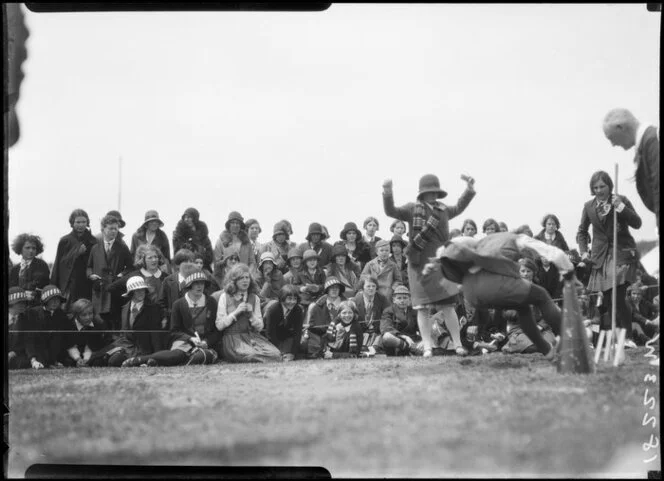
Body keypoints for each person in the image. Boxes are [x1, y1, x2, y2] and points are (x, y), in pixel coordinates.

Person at [433, 232, 576, 360]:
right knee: (542, 295)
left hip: (471, 292)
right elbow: (555, 253)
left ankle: (547, 351)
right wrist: (569, 272)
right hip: (497, 285)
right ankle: (573, 340)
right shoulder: (518, 239)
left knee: (523, 308)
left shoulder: (482, 242)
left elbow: (448, 249)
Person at [383, 173, 476, 357]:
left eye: (435, 192)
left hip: (440, 263)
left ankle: (457, 344)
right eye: (429, 192)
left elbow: (459, 207)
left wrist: (469, 190)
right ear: (422, 193)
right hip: (418, 264)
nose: (433, 196)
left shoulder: (443, 210)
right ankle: (427, 346)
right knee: (422, 307)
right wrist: (387, 191)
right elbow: (391, 211)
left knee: (448, 306)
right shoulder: (411, 209)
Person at [576, 170, 642, 359]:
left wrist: (621, 207)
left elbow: (637, 223)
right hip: (600, 257)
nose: (599, 190)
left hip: (621, 253)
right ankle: (616, 338)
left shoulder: (621, 199)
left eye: (602, 187)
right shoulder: (588, 206)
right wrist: (583, 251)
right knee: (608, 299)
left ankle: (627, 337)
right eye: (595, 187)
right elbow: (581, 231)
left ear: (609, 186)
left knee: (617, 296)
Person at [121, 270, 220, 367]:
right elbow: (174, 331)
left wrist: (206, 342)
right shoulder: (178, 304)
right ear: (189, 285)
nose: (200, 286)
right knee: (177, 354)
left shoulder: (211, 302)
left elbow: (216, 331)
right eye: (196, 283)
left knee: (201, 356)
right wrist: (190, 338)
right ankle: (139, 360)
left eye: (202, 283)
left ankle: (159, 361)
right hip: (184, 341)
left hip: (204, 345)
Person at [603, 108, 659, 228]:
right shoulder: (647, 144)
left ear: (620, 127)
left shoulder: (653, 141)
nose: (613, 144)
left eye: (611, 138)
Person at [214, 263, 282, 363]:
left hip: (252, 337)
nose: (245, 280)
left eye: (247, 277)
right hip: (233, 339)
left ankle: (259, 356)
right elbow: (219, 325)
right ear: (234, 280)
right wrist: (236, 312)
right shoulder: (225, 296)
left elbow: (259, 327)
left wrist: (252, 315)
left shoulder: (254, 298)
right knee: (251, 355)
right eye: (241, 278)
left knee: (276, 354)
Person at [99, 276, 165, 367]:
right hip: (127, 349)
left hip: (144, 352)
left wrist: (158, 357)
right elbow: (124, 333)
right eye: (137, 290)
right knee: (112, 361)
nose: (141, 292)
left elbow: (156, 335)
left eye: (142, 289)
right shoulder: (125, 308)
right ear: (131, 293)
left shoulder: (153, 308)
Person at [86, 214, 133, 331]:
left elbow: (131, 267)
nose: (114, 231)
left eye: (116, 229)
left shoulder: (122, 247)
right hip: (99, 291)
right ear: (103, 229)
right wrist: (90, 275)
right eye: (110, 228)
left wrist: (121, 275)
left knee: (114, 322)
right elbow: (88, 267)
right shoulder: (95, 248)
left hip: (115, 291)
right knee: (99, 322)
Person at [50, 209, 98, 309]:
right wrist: (76, 253)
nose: (81, 225)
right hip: (69, 284)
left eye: (84, 222)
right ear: (72, 223)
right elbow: (59, 264)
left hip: (87, 283)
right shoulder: (65, 240)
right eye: (78, 222)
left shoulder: (93, 241)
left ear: (87, 222)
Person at [23, 285, 72, 369]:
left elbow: (63, 339)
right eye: (51, 300)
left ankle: (55, 361)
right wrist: (33, 359)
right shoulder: (33, 313)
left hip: (56, 352)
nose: (55, 302)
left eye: (57, 300)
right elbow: (29, 339)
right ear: (45, 301)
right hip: (37, 351)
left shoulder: (61, 315)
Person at [304, 277, 348, 359]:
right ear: (327, 290)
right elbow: (313, 328)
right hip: (322, 340)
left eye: (336, 287)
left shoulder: (347, 304)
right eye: (331, 288)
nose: (334, 290)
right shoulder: (316, 306)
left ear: (340, 290)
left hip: (343, 339)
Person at [64, 298, 112, 367]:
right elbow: (69, 345)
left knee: (98, 362)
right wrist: (78, 359)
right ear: (76, 316)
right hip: (72, 354)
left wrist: (87, 360)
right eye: (84, 315)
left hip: (93, 354)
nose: (88, 317)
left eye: (90, 313)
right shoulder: (68, 323)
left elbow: (97, 346)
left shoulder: (99, 324)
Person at [264, 284, 305, 361]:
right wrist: (279, 352)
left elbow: (298, 332)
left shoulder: (298, 310)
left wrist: (292, 353)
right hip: (272, 340)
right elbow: (270, 333)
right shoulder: (273, 310)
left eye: (294, 299)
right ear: (282, 298)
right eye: (289, 299)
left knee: (303, 346)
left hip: (287, 338)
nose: (292, 302)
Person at [380, 285, 423, 356]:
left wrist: (423, 341)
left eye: (405, 298)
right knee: (386, 336)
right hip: (397, 341)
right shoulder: (388, 311)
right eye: (399, 298)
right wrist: (405, 337)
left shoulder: (414, 311)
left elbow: (422, 328)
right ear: (394, 300)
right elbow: (386, 328)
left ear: (409, 299)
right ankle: (409, 349)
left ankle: (414, 349)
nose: (402, 301)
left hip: (412, 340)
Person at [9, 233, 50, 306]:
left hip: (36, 305)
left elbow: (40, 284)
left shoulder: (41, 265)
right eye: (27, 248)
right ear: (20, 249)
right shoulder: (15, 269)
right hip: (18, 305)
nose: (31, 251)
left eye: (34, 248)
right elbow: (12, 287)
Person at [158, 249, 196, 328]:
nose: (189, 264)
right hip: (173, 324)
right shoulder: (168, 280)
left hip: (192, 324)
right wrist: (169, 314)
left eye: (191, 261)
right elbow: (161, 302)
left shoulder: (198, 280)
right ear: (178, 265)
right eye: (185, 261)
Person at [352, 276, 389, 356]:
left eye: (373, 286)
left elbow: (387, 316)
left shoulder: (382, 299)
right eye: (368, 286)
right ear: (362, 288)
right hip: (361, 332)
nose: (371, 288)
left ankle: (374, 348)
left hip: (377, 332)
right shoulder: (355, 301)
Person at [8, 287, 31, 369]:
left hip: (17, 355)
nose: (23, 305)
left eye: (24, 303)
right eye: (19, 302)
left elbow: (26, 341)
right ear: (10, 303)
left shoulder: (25, 320)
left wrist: (14, 352)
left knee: (23, 362)